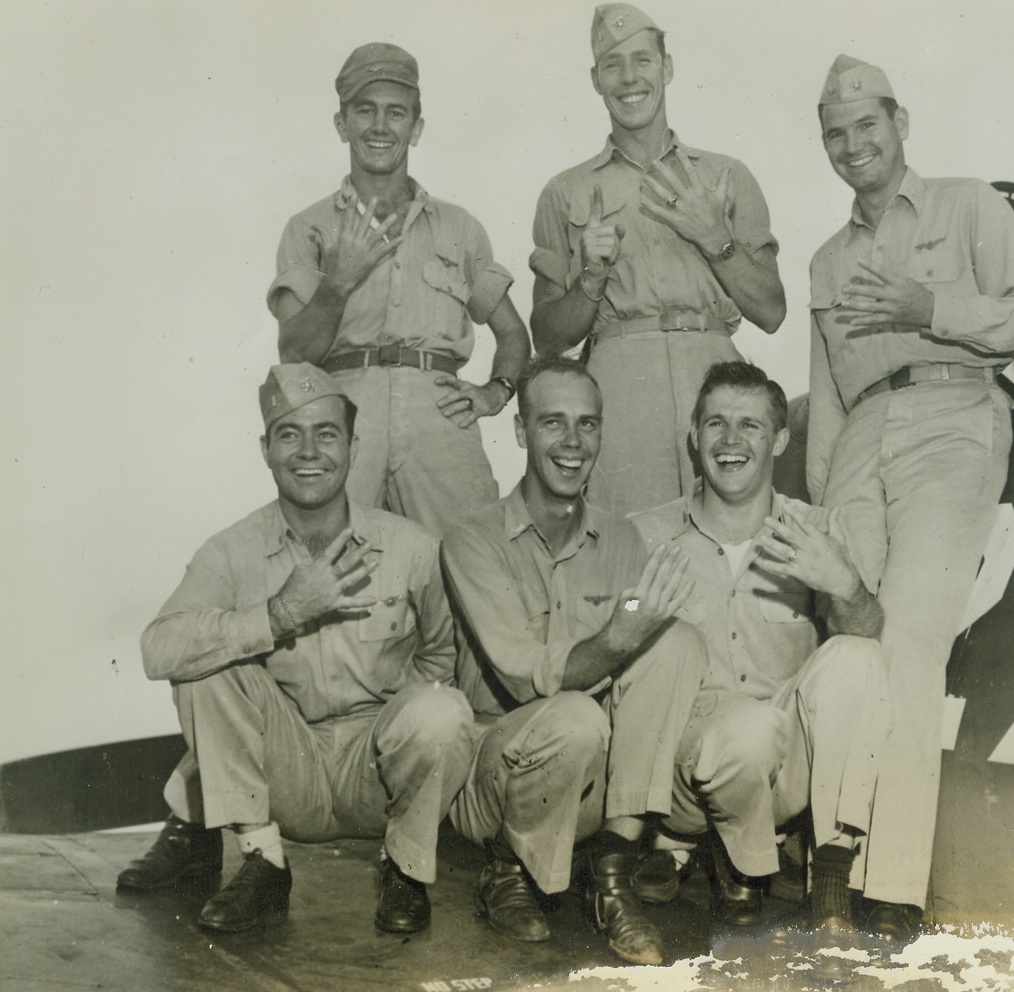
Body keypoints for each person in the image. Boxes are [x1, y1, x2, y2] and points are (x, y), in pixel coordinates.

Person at [806, 56, 1014, 943]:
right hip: (859, 441)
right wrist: (824, 506)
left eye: (867, 125)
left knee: (909, 637)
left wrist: (930, 306)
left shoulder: (968, 204)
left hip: (952, 417)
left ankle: (892, 886)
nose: (852, 145)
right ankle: (833, 854)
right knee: (850, 636)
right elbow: (825, 401)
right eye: (835, 133)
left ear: (900, 122)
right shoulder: (826, 260)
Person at [116, 364, 473, 937]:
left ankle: (405, 867)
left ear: (354, 447)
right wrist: (280, 613)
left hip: (373, 771)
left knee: (442, 708)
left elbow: (443, 657)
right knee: (202, 662)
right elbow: (158, 649)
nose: (309, 452)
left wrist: (403, 734)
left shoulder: (411, 547)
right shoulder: (232, 550)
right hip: (283, 770)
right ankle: (263, 862)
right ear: (265, 449)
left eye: (326, 434)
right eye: (289, 434)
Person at [440, 356, 707, 966]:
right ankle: (505, 867)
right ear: (520, 431)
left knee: (680, 641)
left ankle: (612, 873)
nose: (572, 442)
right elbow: (523, 677)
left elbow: (643, 641)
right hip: (500, 782)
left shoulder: (622, 539)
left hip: (589, 777)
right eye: (552, 422)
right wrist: (616, 639)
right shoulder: (471, 539)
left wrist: (647, 626)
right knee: (575, 715)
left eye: (587, 424)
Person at [630, 362, 891, 935]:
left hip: (778, 774)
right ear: (694, 436)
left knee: (859, 655)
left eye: (750, 425)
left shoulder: (815, 530)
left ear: (778, 439)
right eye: (716, 423)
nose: (731, 440)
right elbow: (615, 650)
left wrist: (845, 585)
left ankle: (830, 871)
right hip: (683, 779)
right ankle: (685, 843)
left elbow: (868, 631)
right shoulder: (644, 534)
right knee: (739, 727)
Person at [529, 4, 786, 520]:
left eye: (643, 60)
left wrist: (717, 240)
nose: (629, 78)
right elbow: (548, 338)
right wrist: (591, 280)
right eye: (613, 65)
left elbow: (772, 311)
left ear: (666, 67)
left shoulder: (726, 176)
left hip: (715, 378)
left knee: (732, 537)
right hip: (621, 387)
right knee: (629, 546)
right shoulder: (565, 191)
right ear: (596, 80)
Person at [268, 43, 530, 537]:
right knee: (334, 560)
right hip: (346, 417)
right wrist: (337, 284)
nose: (380, 126)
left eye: (396, 113)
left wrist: (495, 392)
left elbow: (514, 333)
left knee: (471, 557)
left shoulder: (459, 226)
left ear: (416, 127)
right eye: (365, 111)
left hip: (439, 414)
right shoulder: (309, 228)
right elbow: (294, 353)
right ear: (342, 124)